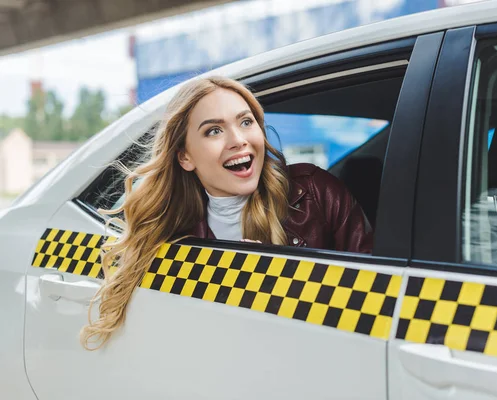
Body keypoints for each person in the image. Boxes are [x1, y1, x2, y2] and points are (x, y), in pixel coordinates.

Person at [81, 76, 372, 349]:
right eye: (214, 130)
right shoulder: (172, 239)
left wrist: (284, 285)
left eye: (246, 122)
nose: (238, 139)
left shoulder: (316, 192)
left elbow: (378, 297)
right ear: (185, 156)